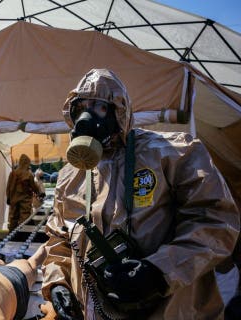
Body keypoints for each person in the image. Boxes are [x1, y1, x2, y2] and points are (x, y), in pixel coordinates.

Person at [40, 69, 239, 319]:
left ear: (119, 112)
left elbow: (217, 222)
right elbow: (59, 239)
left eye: (99, 108)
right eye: (81, 108)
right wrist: (58, 284)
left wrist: (158, 271)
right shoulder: (72, 176)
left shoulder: (173, 153)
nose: (86, 118)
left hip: (170, 309)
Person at [6, 154, 40, 231]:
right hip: (25, 201)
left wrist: (8, 197)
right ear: (27, 163)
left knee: (13, 218)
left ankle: (12, 236)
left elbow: (8, 187)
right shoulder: (28, 174)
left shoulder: (13, 173)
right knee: (25, 219)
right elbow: (34, 187)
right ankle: (23, 235)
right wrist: (38, 192)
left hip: (13, 200)